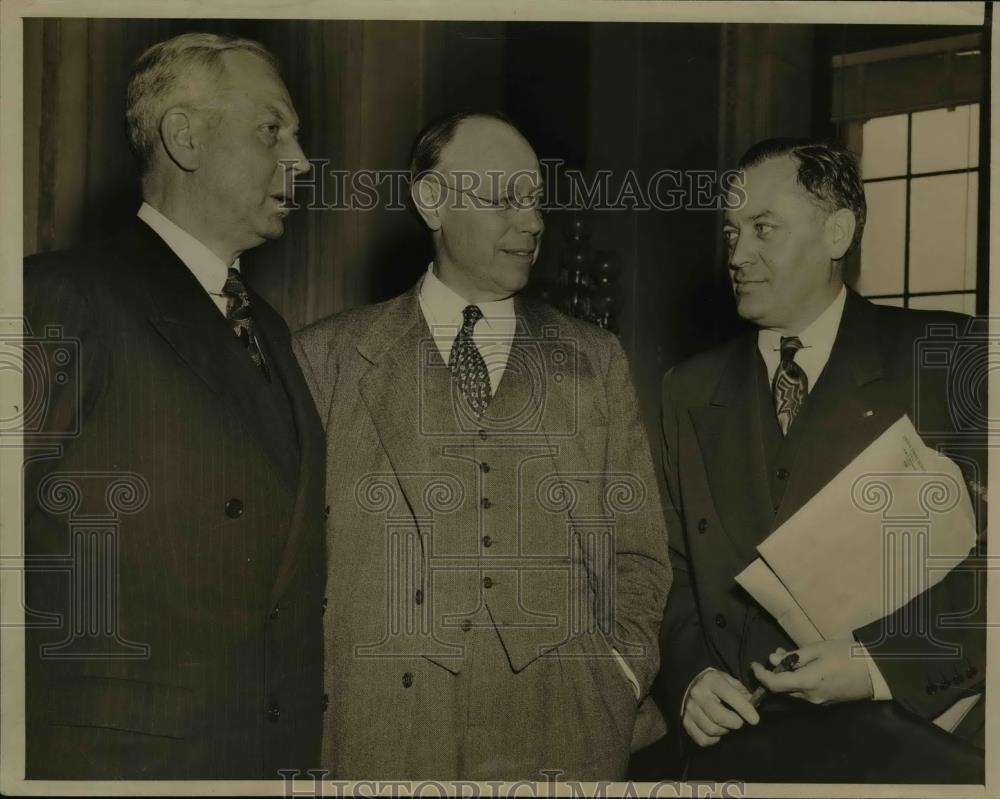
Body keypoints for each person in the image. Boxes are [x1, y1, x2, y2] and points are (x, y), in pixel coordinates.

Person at [293, 110, 671, 780]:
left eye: (536, 201)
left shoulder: (595, 358)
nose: (532, 223)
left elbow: (638, 552)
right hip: (381, 732)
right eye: (504, 200)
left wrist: (618, 672)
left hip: (564, 729)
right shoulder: (328, 356)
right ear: (431, 201)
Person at [23, 33, 326, 779]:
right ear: (185, 136)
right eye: (272, 129)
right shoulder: (57, 298)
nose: (302, 162)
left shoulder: (273, 332)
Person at [654, 138, 986, 781]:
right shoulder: (688, 390)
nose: (738, 255)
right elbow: (666, 567)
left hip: (916, 743)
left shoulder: (949, 356)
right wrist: (691, 675)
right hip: (741, 748)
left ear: (838, 232)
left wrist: (876, 665)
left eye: (764, 230)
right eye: (731, 232)